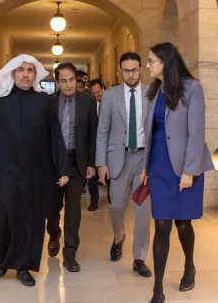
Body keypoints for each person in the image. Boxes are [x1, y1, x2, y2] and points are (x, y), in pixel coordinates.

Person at [0, 55, 67, 287]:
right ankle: (3, 254)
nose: (25, 74)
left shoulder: (45, 102)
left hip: (36, 172)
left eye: (29, 71)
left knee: (29, 221)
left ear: (35, 75)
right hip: (2, 171)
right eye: (20, 70)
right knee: (0, 218)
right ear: (12, 74)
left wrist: (62, 168)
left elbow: (55, 136)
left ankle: (23, 266)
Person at [142, 43, 213, 303]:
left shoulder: (192, 89)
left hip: (185, 167)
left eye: (151, 61)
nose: (148, 66)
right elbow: (150, 132)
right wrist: (146, 166)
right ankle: (158, 289)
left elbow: (196, 132)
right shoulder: (154, 91)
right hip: (159, 166)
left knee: (183, 224)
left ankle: (189, 265)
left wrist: (189, 170)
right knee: (161, 224)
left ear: (166, 62)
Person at [96, 52, 153, 278]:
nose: (130, 74)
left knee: (143, 210)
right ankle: (119, 237)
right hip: (118, 158)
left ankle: (139, 257)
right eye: (126, 70)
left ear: (141, 69)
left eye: (134, 70)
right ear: (121, 71)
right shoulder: (110, 96)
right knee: (117, 206)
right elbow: (102, 132)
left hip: (144, 158)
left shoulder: (153, 93)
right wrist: (101, 162)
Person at [46, 63, 98, 272]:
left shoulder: (87, 101)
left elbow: (93, 133)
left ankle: (70, 253)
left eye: (72, 80)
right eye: (64, 80)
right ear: (57, 82)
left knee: (73, 209)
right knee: (52, 206)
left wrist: (92, 163)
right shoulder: (49, 102)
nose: (68, 84)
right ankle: (53, 233)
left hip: (77, 162)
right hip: (53, 164)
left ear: (77, 81)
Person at [87, 78, 106, 210]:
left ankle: (112, 198)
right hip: (94, 144)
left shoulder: (112, 103)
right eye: (93, 93)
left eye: (98, 92)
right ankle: (94, 202)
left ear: (103, 89)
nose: (96, 95)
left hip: (109, 144)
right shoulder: (90, 105)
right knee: (92, 175)